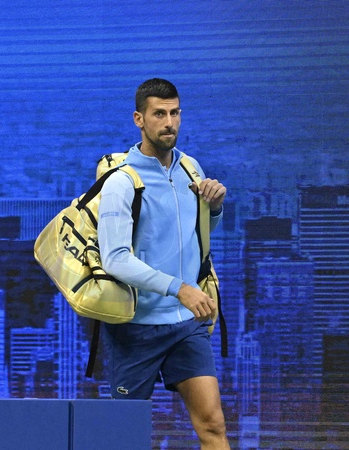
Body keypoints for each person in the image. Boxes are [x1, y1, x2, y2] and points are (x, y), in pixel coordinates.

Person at [97, 78, 230, 449]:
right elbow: (115, 259)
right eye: (159, 114)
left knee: (214, 426)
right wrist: (180, 288)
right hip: (135, 329)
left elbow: (196, 235)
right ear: (139, 119)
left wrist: (215, 209)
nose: (169, 122)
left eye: (175, 113)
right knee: (124, 438)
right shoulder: (122, 182)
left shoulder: (191, 169)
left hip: (185, 326)